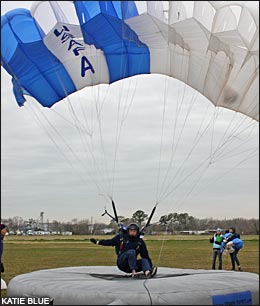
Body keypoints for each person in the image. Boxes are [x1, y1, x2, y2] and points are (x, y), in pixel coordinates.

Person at [90, 223, 157, 278]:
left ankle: (147, 273)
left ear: (137, 232)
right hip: (122, 263)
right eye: (131, 231)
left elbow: (145, 255)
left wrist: (149, 266)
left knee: (144, 260)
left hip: (133, 263)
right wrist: (97, 242)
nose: (132, 233)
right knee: (131, 252)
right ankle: (134, 272)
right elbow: (110, 242)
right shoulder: (121, 237)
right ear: (128, 231)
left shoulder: (139, 242)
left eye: (134, 231)